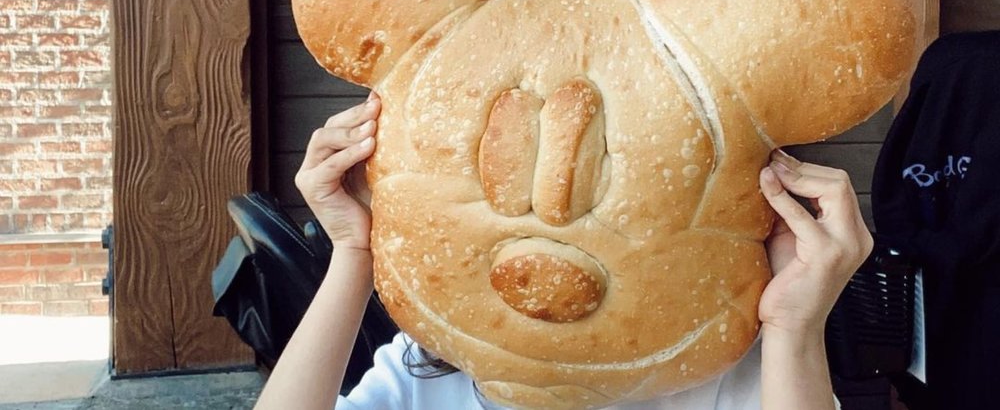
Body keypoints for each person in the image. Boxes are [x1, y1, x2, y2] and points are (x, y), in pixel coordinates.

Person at [255, 93, 873, 410]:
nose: (558, 214)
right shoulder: (438, 368)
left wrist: (795, 326)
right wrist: (357, 251)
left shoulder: (722, 377)